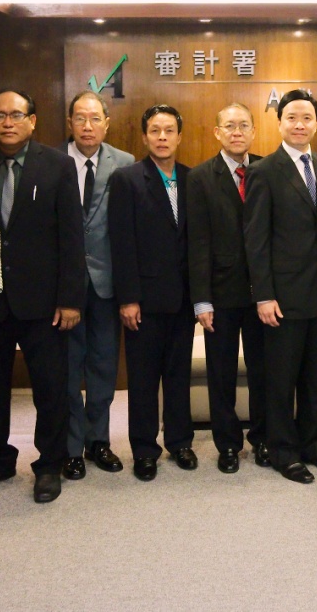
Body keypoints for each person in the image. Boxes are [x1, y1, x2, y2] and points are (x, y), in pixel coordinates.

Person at [0, 90, 85, 504]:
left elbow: (71, 235)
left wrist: (70, 298)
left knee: (50, 387)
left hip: (46, 301)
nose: (7, 122)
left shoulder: (58, 165)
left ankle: (49, 464)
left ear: (33, 121)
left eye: (16, 114)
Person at [243, 89, 317, 484]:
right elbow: (256, 239)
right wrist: (264, 294)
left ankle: (313, 445)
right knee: (281, 380)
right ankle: (284, 451)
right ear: (280, 122)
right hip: (282, 298)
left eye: (306, 117)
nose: (299, 124)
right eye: (292, 118)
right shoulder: (264, 171)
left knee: (315, 377)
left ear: (316, 122)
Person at [108, 104, 197, 481]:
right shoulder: (127, 179)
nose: (162, 138)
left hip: (183, 298)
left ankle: (180, 441)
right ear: (145, 137)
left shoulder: (193, 179)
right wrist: (127, 298)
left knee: (179, 375)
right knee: (143, 379)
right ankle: (145, 449)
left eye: (169, 131)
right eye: (155, 131)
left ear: (179, 136)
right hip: (142, 300)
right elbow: (122, 243)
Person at [187, 103, 269, 473]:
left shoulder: (268, 170)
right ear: (217, 133)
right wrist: (201, 299)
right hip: (220, 295)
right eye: (229, 126)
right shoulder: (201, 177)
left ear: (253, 131)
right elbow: (198, 243)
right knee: (221, 373)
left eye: (244, 126)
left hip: (262, 295)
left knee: (263, 371)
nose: (237, 132)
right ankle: (228, 444)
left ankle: (263, 438)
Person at [59, 91, 133, 480]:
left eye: (95, 119)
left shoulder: (125, 163)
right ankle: (71, 448)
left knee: (104, 365)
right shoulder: (52, 162)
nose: (88, 126)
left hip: (108, 284)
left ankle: (98, 441)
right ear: (70, 122)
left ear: (107, 123)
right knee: (70, 369)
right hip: (66, 287)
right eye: (80, 118)